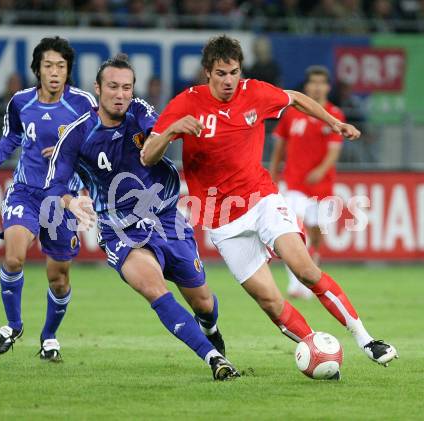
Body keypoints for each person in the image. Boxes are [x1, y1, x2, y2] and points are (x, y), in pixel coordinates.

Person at [141, 35, 398, 372]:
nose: (228, 80)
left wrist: (333, 122)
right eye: (221, 73)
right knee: (270, 301)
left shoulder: (254, 93)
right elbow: (147, 155)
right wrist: (171, 129)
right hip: (221, 220)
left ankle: (366, 340)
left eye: (233, 72)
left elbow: (294, 98)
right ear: (208, 73)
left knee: (305, 271)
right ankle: (316, 348)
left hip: (261, 200)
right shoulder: (187, 104)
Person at [43, 53, 239, 381]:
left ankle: (210, 328)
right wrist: (69, 201)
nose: (120, 94)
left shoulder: (140, 111)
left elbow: (154, 139)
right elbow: (53, 187)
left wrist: (170, 130)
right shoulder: (77, 135)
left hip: (165, 216)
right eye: (113, 87)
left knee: (203, 301)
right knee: (154, 288)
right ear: (98, 88)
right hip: (120, 230)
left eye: (127, 87)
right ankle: (214, 359)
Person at [0, 37, 97, 360]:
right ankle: (13, 324)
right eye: (48, 65)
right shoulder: (21, 102)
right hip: (26, 191)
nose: (54, 72)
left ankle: (49, 337)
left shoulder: (82, 103)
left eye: (61, 66)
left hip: (62, 198)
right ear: (37, 69)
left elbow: (95, 141)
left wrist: (69, 152)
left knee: (58, 279)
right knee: (13, 257)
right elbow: (12, 136)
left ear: (68, 71)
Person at [269, 65, 343, 299]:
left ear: (328, 86)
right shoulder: (291, 114)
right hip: (294, 184)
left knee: (316, 234)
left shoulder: (334, 114)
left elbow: (334, 150)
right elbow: (279, 148)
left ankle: (312, 269)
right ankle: (295, 286)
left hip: (321, 187)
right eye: (313, 82)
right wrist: (272, 174)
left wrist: (321, 171)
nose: (317, 86)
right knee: (294, 231)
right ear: (307, 86)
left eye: (322, 82)